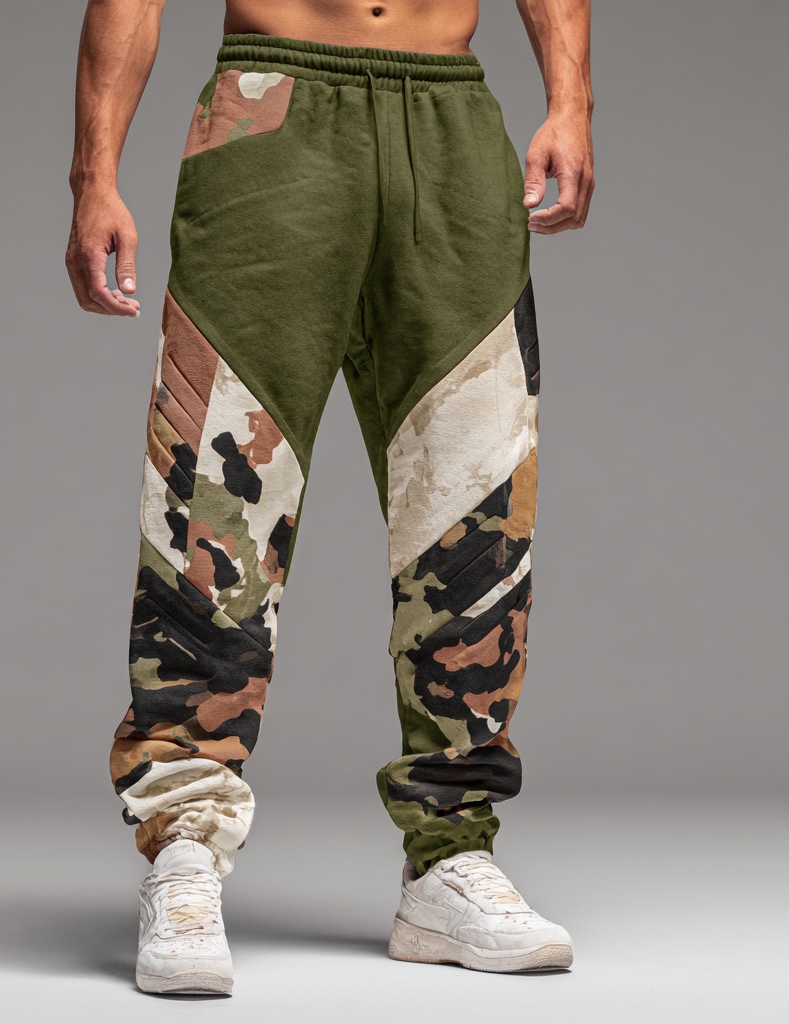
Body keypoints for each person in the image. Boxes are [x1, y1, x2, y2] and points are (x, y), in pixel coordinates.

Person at [66, 0, 594, 996]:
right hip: (271, 115)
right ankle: (184, 848)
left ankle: (449, 859)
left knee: (476, 504)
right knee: (214, 499)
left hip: (451, 125)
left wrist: (571, 100)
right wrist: (94, 176)